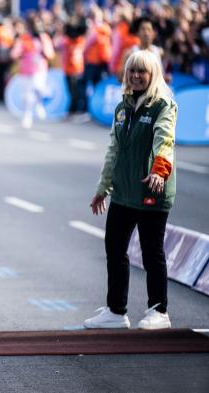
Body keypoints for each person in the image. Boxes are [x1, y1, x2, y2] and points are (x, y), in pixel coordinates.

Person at [84, 50, 177, 331]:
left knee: (152, 252)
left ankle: (159, 311)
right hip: (123, 191)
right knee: (114, 247)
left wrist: (160, 171)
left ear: (153, 75)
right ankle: (116, 310)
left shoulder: (163, 105)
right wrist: (103, 187)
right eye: (132, 71)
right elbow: (114, 150)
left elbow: (165, 140)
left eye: (142, 72)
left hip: (151, 188)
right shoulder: (123, 107)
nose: (136, 76)